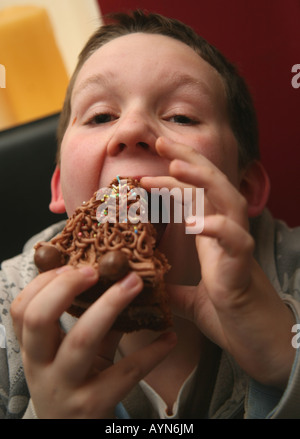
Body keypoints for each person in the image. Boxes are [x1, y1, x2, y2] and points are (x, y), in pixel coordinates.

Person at [1, 10, 300, 419]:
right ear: (59, 189)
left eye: (181, 116)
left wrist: (286, 363)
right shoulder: (6, 309)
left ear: (242, 188)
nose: (132, 130)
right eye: (101, 116)